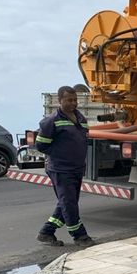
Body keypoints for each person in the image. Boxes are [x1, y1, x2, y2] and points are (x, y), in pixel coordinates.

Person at [36, 86, 96, 247]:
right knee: (69, 203)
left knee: (67, 202)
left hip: (76, 168)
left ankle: (46, 232)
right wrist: (60, 154)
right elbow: (41, 146)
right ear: (60, 101)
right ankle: (80, 236)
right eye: (69, 100)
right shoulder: (51, 121)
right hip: (60, 169)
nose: (73, 103)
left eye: (75, 100)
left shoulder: (80, 118)